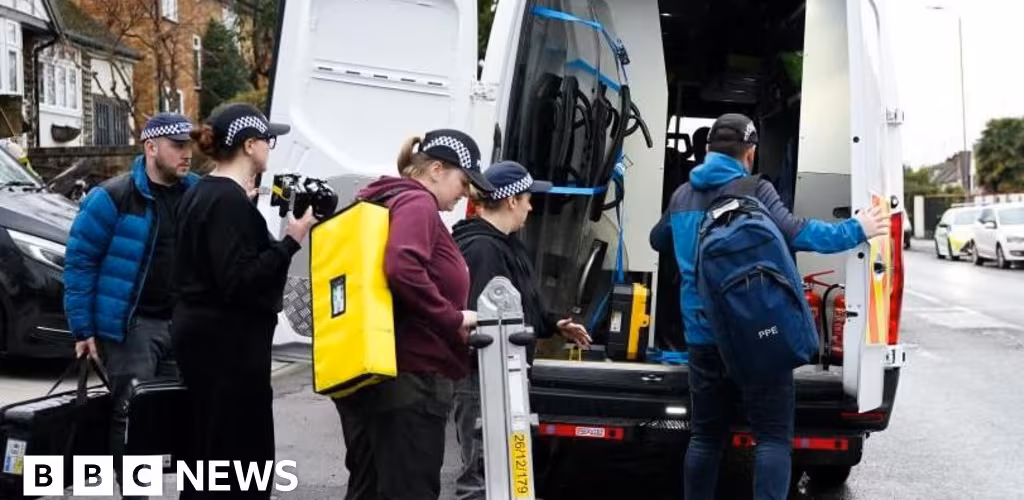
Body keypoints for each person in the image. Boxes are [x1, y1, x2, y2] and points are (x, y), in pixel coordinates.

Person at [649, 113, 890, 500]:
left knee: (705, 437)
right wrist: (857, 228)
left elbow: (657, 240)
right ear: (749, 153)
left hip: (703, 337)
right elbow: (799, 233)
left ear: (708, 151)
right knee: (773, 438)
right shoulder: (757, 190)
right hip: (757, 334)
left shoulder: (681, 197)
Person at [335, 129, 495, 500]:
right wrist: (453, 318)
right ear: (436, 170)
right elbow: (402, 266)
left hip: (375, 370)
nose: (466, 193)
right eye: (463, 181)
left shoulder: (385, 198)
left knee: (369, 489)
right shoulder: (418, 203)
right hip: (411, 379)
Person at [171, 103, 314, 499]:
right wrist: (291, 241)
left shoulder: (202, 193)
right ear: (249, 145)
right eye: (267, 140)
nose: (270, 147)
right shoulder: (227, 203)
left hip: (202, 341)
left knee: (204, 451)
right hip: (229, 353)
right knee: (239, 460)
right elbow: (240, 281)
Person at [63, 112, 198, 499]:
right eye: (177, 145)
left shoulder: (196, 192)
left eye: (188, 144)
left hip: (182, 323)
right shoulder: (113, 196)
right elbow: (80, 261)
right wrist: (83, 329)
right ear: (151, 147)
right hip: (132, 325)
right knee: (133, 414)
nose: (186, 153)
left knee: (176, 412)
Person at [450, 161, 592, 500]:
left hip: (501, 375)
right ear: (512, 200)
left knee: (504, 471)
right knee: (482, 474)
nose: (530, 207)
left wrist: (553, 323)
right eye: (528, 199)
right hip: (485, 380)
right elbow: (486, 320)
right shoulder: (483, 250)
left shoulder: (505, 243)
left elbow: (517, 304)